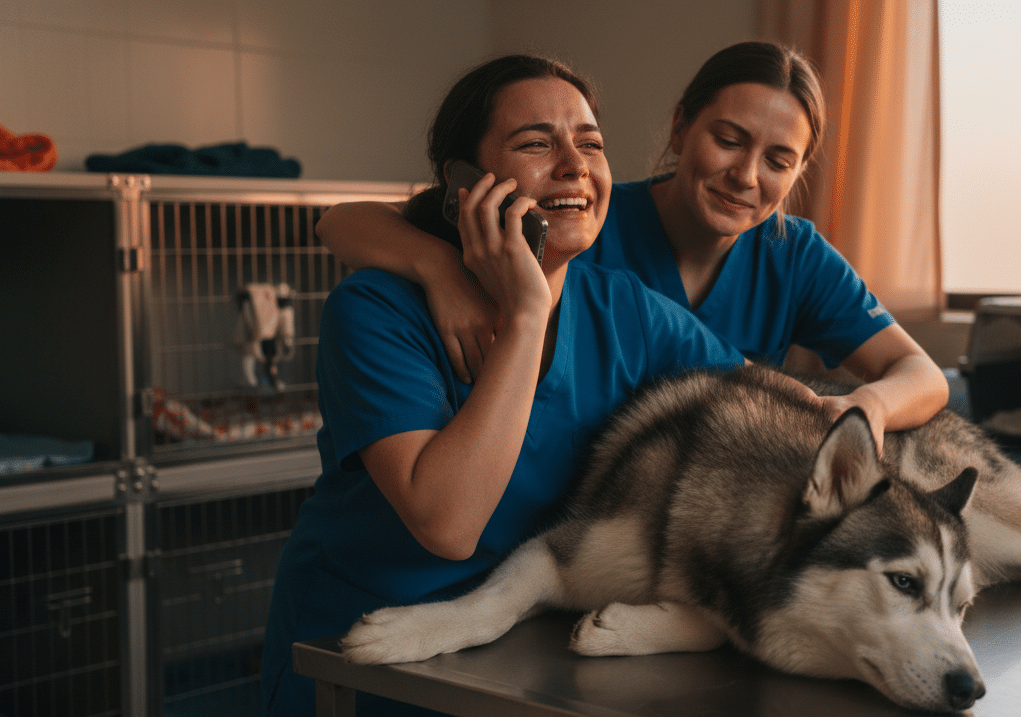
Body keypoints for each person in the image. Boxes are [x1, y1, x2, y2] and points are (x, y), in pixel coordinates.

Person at [261, 55, 746, 717]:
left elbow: (759, 406)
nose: (576, 165)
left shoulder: (627, 311)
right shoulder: (374, 311)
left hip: (527, 675)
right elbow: (448, 524)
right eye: (536, 143)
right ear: (464, 186)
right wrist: (524, 314)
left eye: (591, 142)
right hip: (368, 671)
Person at [316, 41, 949, 453]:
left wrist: (861, 409)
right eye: (729, 140)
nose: (747, 175)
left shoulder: (793, 254)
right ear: (680, 126)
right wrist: (437, 268)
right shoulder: (580, 221)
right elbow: (342, 222)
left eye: (778, 160)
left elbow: (921, 376)